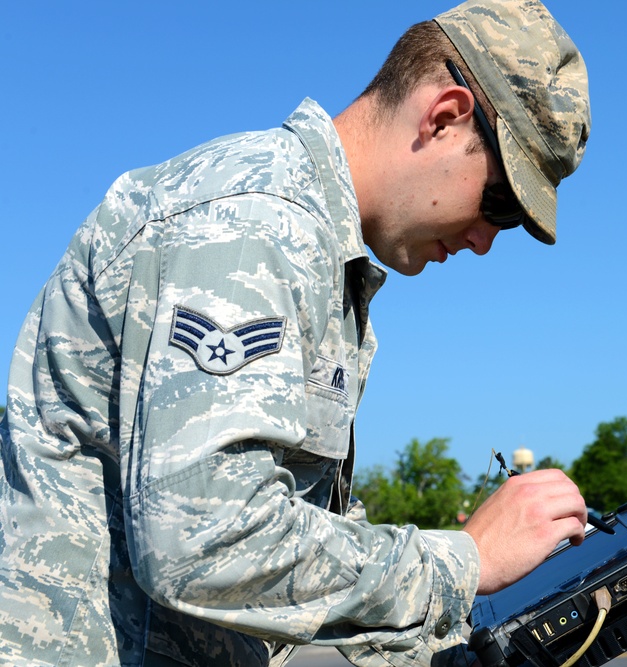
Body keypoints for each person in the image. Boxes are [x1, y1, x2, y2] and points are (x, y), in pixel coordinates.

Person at [0, 1, 591, 666]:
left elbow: (286, 531)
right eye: (501, 202)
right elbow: (205, 539)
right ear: (444, 117)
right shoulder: (252, 224)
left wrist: (449, 634)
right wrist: (463, 561)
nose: (485, 240)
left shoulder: (313, 247)